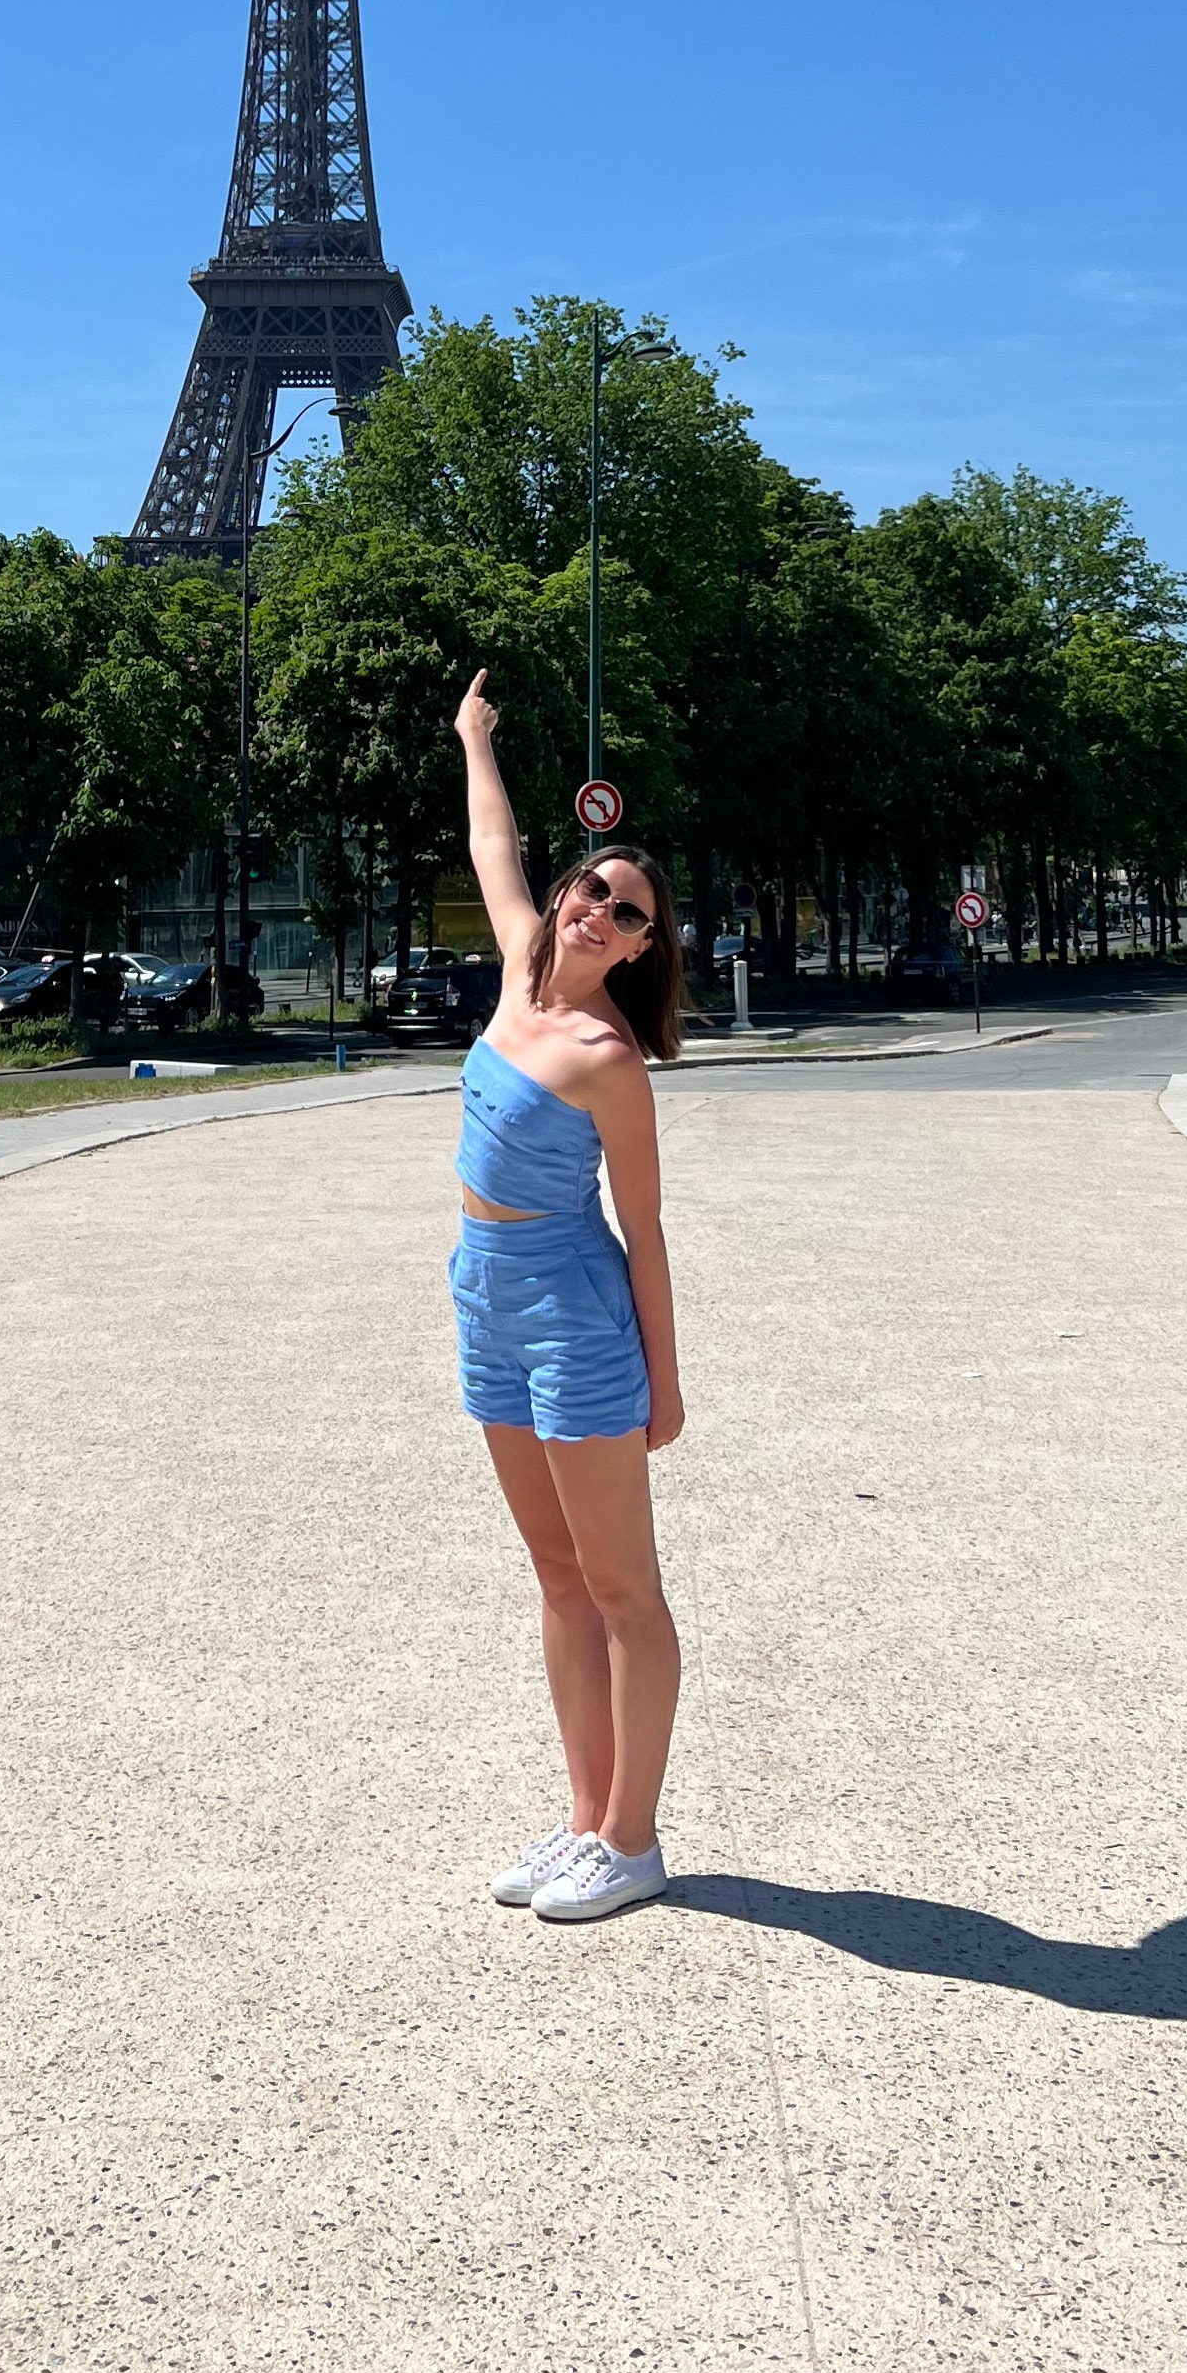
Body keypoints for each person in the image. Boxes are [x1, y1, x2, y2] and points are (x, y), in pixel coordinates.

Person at [449, 670, 685, 1924]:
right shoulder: (517, 975)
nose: (599, 908)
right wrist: (475, 738)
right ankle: (582, 1820)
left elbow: (642, 1231)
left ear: (646, 947)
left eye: (627, 909)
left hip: (573, 1313)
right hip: (482, 1296)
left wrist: (667, 1379)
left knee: (622, 1588)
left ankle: (633, 1839)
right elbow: (496, 839)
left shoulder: (608, 1060)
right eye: (592, 887)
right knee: (553, 1573)